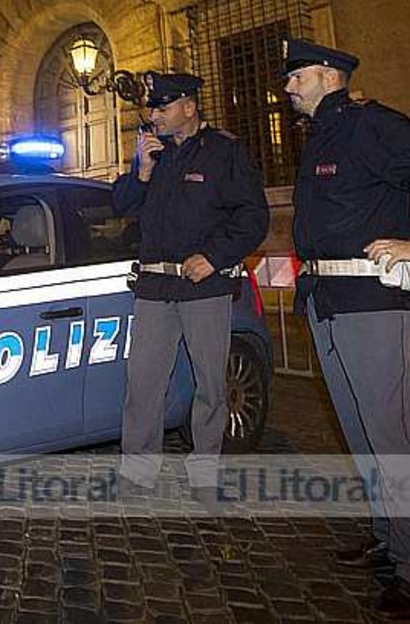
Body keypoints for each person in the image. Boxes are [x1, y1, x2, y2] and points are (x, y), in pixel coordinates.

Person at [281, 38, 410, 621]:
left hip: (371, 297)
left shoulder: (373, 125)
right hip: (328, 298)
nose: (288, 86)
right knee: (361, 432)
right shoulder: (322, 138)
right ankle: (389, 536)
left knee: (391, 435)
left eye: (298, 75)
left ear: (330, 75)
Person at [112, 71, 270, 501]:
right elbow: (121, 206)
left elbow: (253, 217)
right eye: (151, 108)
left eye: (161, 108)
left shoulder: (224, 153)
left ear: (188, 106)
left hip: (204, 285)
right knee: (143, 381)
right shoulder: (153, 155)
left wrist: (217, 257)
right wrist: (141, 171)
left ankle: (205, 475)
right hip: (154, 287)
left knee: (211, 385)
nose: (153, 116)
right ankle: (137, 472)